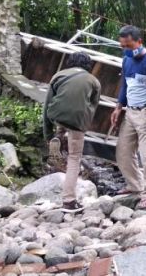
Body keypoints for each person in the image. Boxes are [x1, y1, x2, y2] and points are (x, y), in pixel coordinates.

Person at [110, 25, 146, 209]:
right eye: (122, 46)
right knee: (123, 151)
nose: (125, 49)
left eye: (128, 45)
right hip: (131, 112)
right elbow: (125, 86)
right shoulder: (126, 61)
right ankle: (135, 186)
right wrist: (118, 107)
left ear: (139, 42)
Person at [43, 52, 101, 212]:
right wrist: (84, 125)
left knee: (60, 116)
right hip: (77, 121)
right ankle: (68, 201)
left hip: (56, 115)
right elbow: (93, 106)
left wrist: (47, 135)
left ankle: (58, 136)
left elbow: (46, 104)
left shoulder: (58, 76)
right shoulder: (94, 81)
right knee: (75, 158)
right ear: (88, 66)